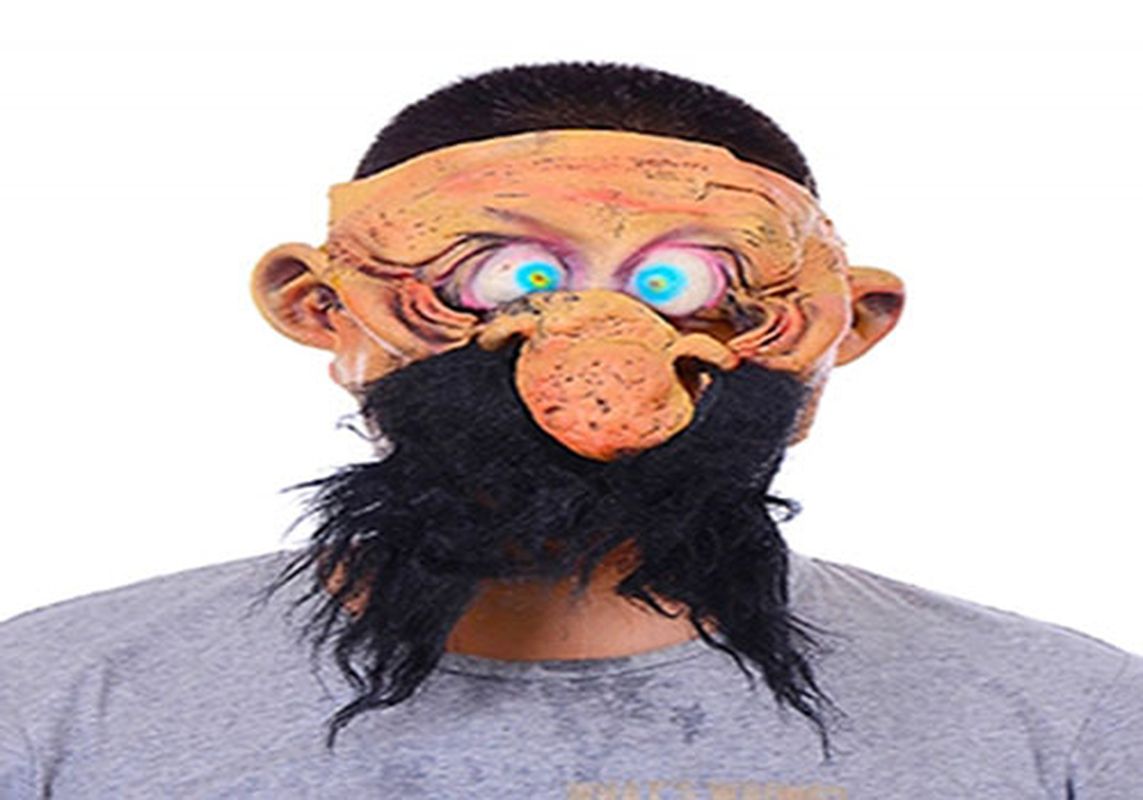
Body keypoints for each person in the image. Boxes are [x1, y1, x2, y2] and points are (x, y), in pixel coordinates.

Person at [1, 62, 1140, 799]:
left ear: (850, 324)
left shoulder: (1075, 722)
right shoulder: (45, 704)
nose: (598, 343)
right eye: (511, 275)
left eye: (683, 282)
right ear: (318, 307)